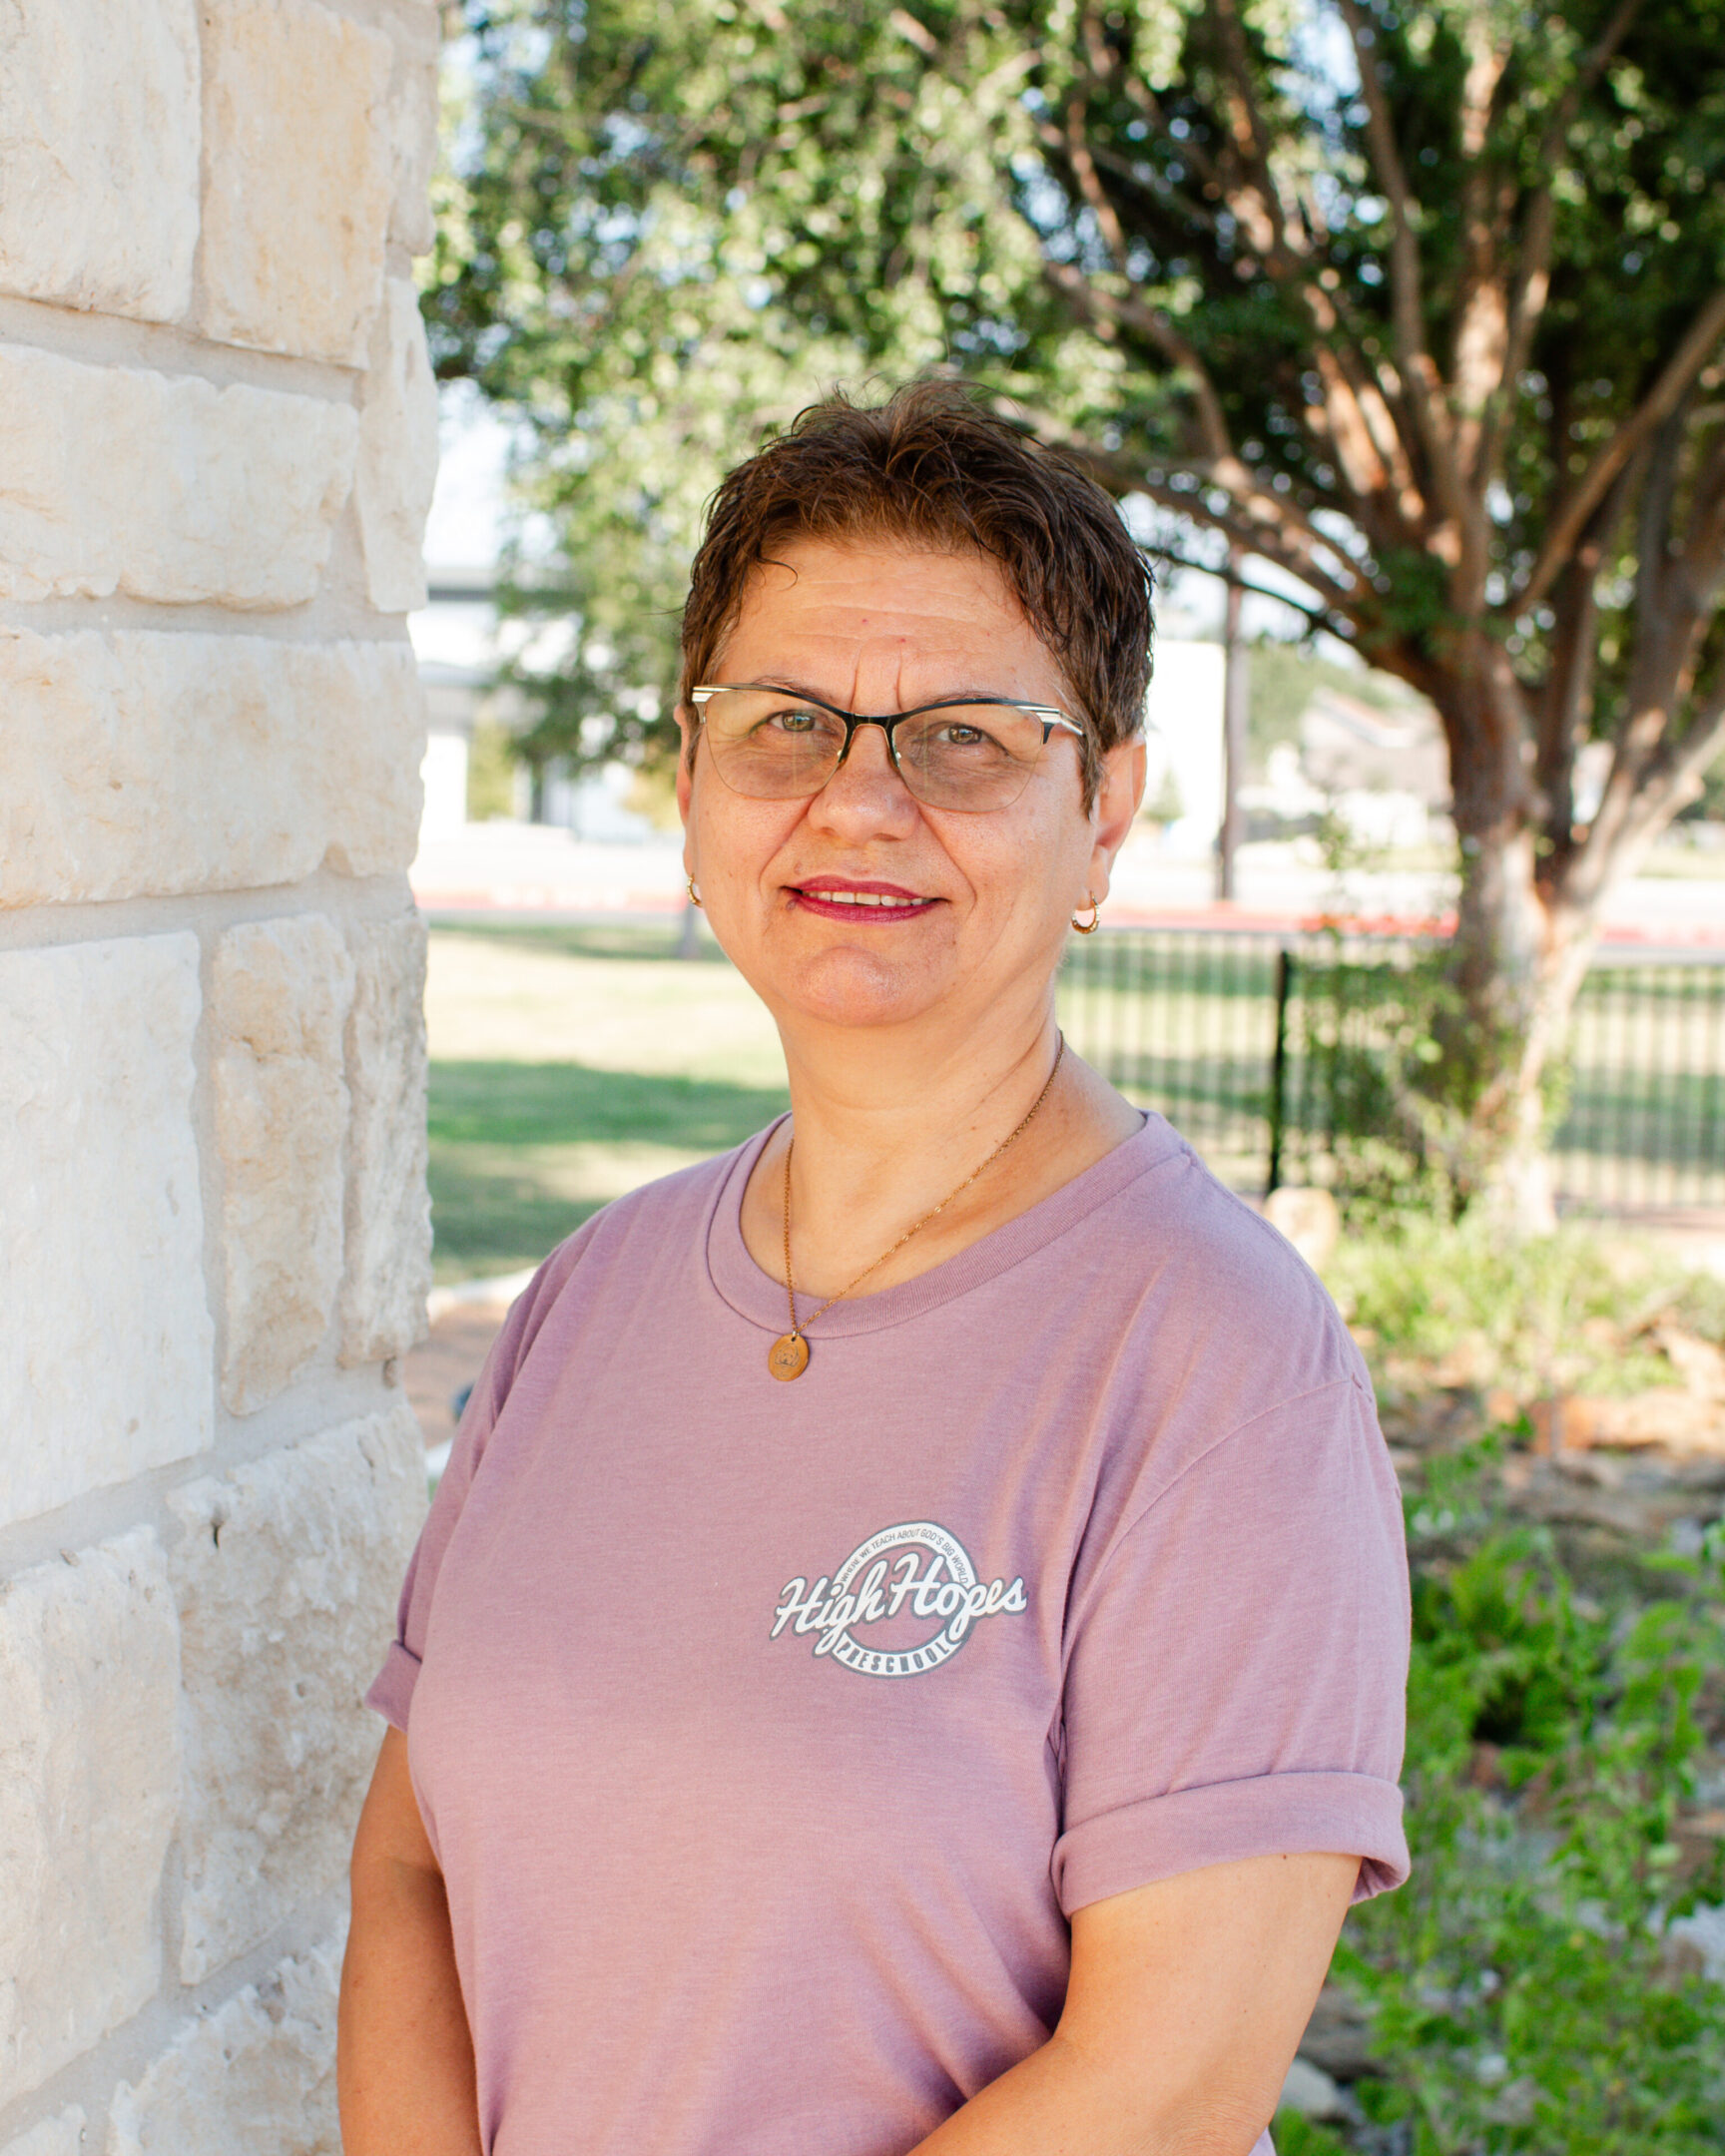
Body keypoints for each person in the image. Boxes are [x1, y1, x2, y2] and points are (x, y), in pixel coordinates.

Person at [338, 381, 1410, 2156]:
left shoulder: (1217, 1367)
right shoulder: (589, 1299)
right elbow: (407, 1877)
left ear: (1108, 809)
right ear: (691, 786)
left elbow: (1165, 2093)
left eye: (966, 738)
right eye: (786, 725)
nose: (857, 804)